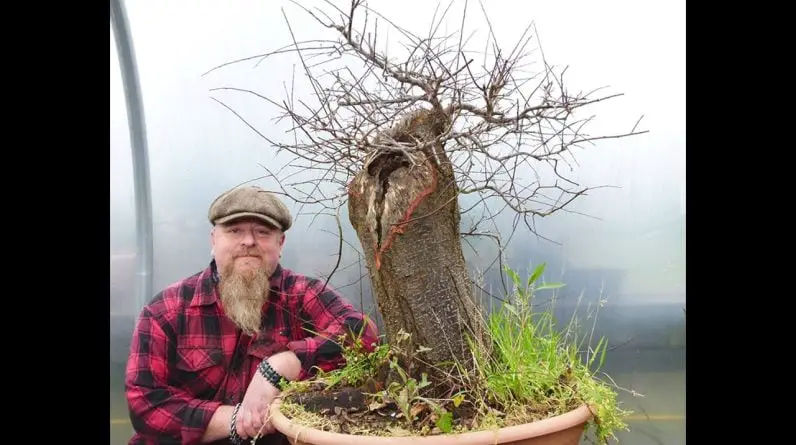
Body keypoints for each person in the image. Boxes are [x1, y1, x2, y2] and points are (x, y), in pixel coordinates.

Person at [125, 185, 380, 445]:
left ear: (280, 244)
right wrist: (238, 420)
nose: (248, 241)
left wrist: (282, 365)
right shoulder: (167, 308)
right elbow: (145, 403)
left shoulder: (303, 295)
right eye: (235, 230)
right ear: (214, 239)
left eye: (263, 232)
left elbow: (364, 336)